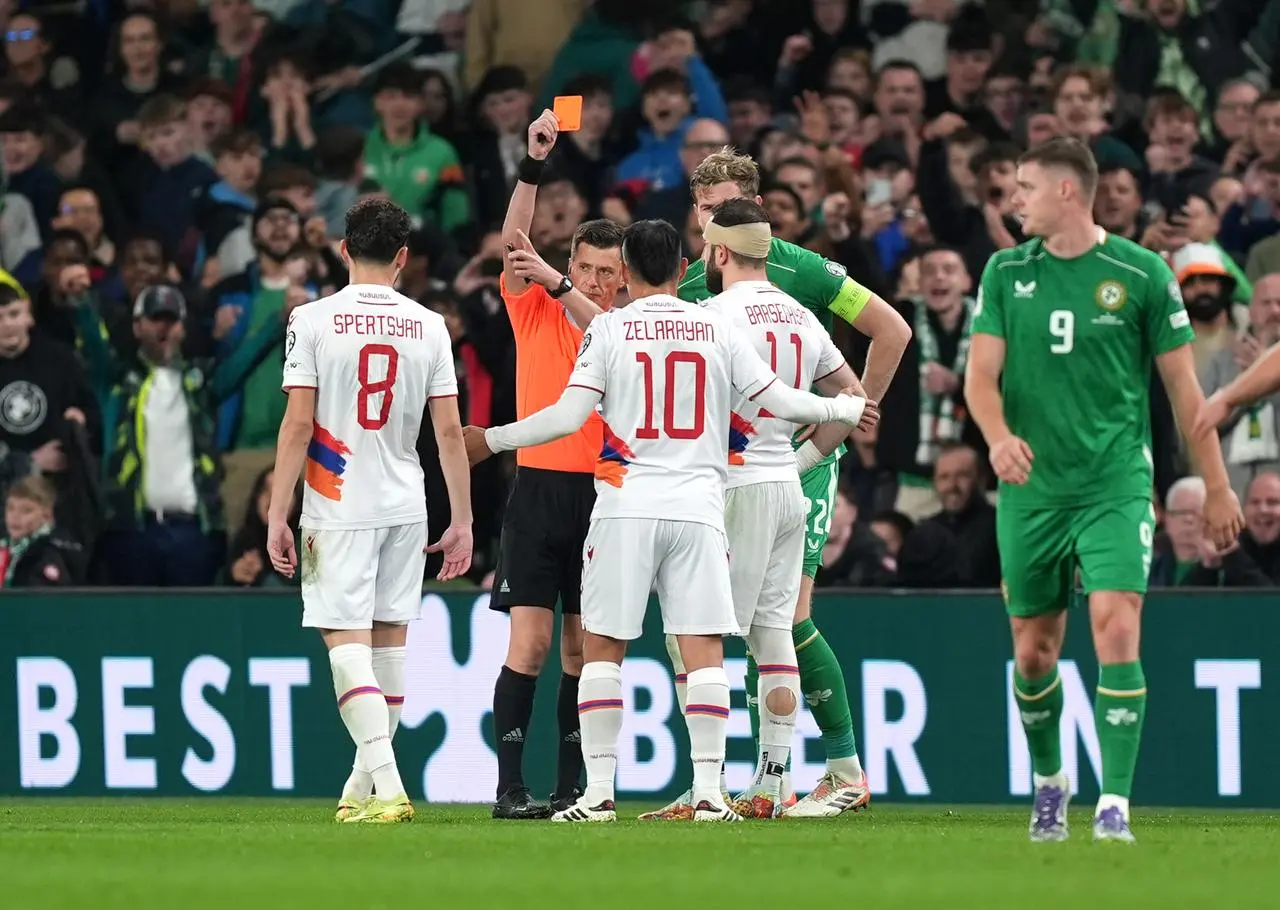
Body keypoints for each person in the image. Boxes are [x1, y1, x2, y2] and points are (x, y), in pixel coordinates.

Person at [462, 219, 869, 823]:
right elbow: (779, 401)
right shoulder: (717, 326)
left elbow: (567, 416)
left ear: (623, 273)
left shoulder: (609, 328)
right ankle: (709, 792)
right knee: (703, 647)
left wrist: (491, 439)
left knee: (603, 648)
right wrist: (846, 406)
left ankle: (598, 794)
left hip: (626, 506)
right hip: (698, 510)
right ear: (684, 270)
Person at [965, 137, 1243, 844]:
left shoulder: (1142, 272)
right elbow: (979, 379)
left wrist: (1214, 484)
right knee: (1034, 651)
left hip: (1115, 480)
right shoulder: (1005, 272)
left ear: (1066, 192)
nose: (1013, 199)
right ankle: (1051, 781)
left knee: (1117, 624)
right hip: (1032, 488)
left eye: (1024, 186)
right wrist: (997, 437)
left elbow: (1184, 390)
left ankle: (1115, 801)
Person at [663, 147, 911, 819]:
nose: (712, 221)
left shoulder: (804, 271)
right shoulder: (692, 284)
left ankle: (837, 768)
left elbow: (891, 329)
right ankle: (764, 780)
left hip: (796, 463)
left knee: (779, 620)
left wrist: (851, 425)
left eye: (725, 209)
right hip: (736, 472)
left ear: (758, 210)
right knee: (758, 624)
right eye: (705, 209)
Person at [266, 197, 474, 825]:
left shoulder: (312, 318)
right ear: (403, 258)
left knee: (345, 643)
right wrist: (460, 519)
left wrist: (278, 510)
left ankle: (388, 784)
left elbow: (299, 423)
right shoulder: (431, 324)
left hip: (338, 500)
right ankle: (361, 787)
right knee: (389, 645)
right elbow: (448, 433)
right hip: (406, 501)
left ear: (343, 249)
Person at [698, 197, 875, 819]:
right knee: (773, 633)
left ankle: (709, 787)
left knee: (709, 634)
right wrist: (802, 462)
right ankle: (772, 783)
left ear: (719, 251)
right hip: (787, 488)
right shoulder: (800, 313)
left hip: (735, 485)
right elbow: (854, 401)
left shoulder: (713, 317)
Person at [485, 109, 626, 821]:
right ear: (571, 266)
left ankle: (574, 789)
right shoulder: (535, 309)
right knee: (532, 642)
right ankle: (511, 789)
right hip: (539, 491)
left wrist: (566, 287)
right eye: (588, 270)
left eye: (610, 274)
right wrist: (533, 162)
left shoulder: (626, 327)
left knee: (581, 650)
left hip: (604, 494)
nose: (599, 282)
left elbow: (605, 323)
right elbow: (515, 243)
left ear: (624, 279)